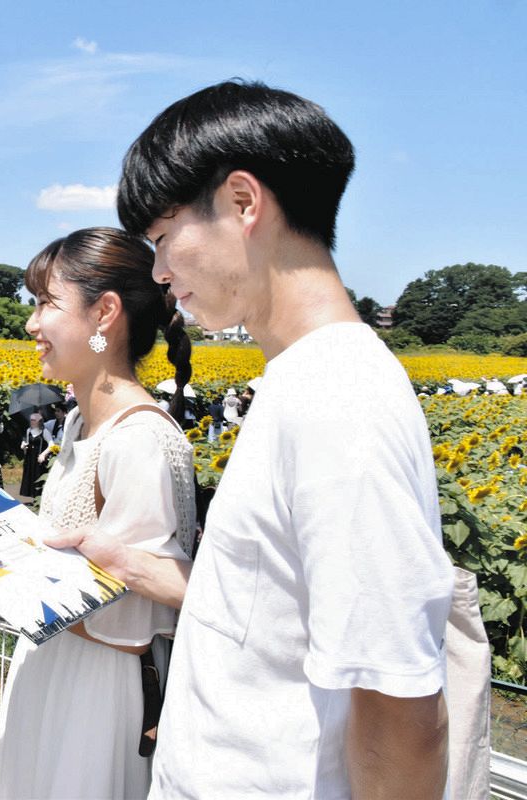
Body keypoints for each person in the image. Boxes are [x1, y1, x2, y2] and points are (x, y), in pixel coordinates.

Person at [104, 79, 454, 798]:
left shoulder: (339, 400)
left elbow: (398, 703)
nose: (161, 272)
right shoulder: (301, 381)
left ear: (242, 203)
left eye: (165, 238)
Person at [0, 228, 195, 799]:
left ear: (104, 313)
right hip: (53, 661)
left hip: (99, 686)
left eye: (46, 303)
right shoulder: (80, 423)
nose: (32, 324)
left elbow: (138, 609)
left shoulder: (142, 439)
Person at [17, 412, 52, 499]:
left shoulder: (44, 431)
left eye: (34, 420)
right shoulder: (28, 430)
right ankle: (33, 497)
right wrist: (24, 446)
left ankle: (40, 497)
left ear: (39, 421)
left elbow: (51, 445)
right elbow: (28, 443)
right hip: (30, 457)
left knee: (38, 476)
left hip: (39, 458)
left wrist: (43, 454)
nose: (31, 422)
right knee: (30, 476)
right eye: (31, 420)